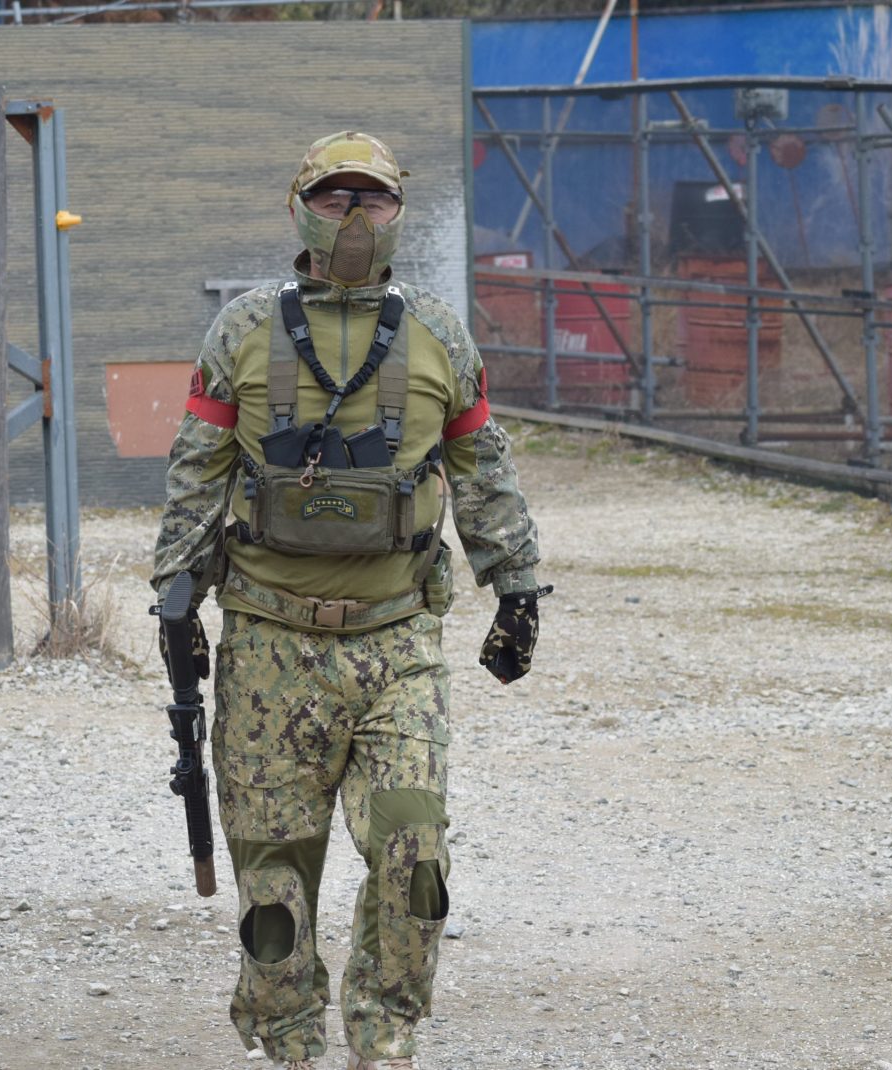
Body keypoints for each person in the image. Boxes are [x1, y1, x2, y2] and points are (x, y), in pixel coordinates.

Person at [151, 132, 546, 1069]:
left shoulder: (440, 334)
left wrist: (517, 585)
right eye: (335, 199)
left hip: (396, 645)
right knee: (273, 890)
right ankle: (290, 1042)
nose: (355, 217)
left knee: (416, 859)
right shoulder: (242, 331)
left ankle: (385, 1036)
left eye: (373, 199)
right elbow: (197, 472)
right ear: (299, 209)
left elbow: (481, 469)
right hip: (269, 647)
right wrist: (177, 596)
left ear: (400, 211)